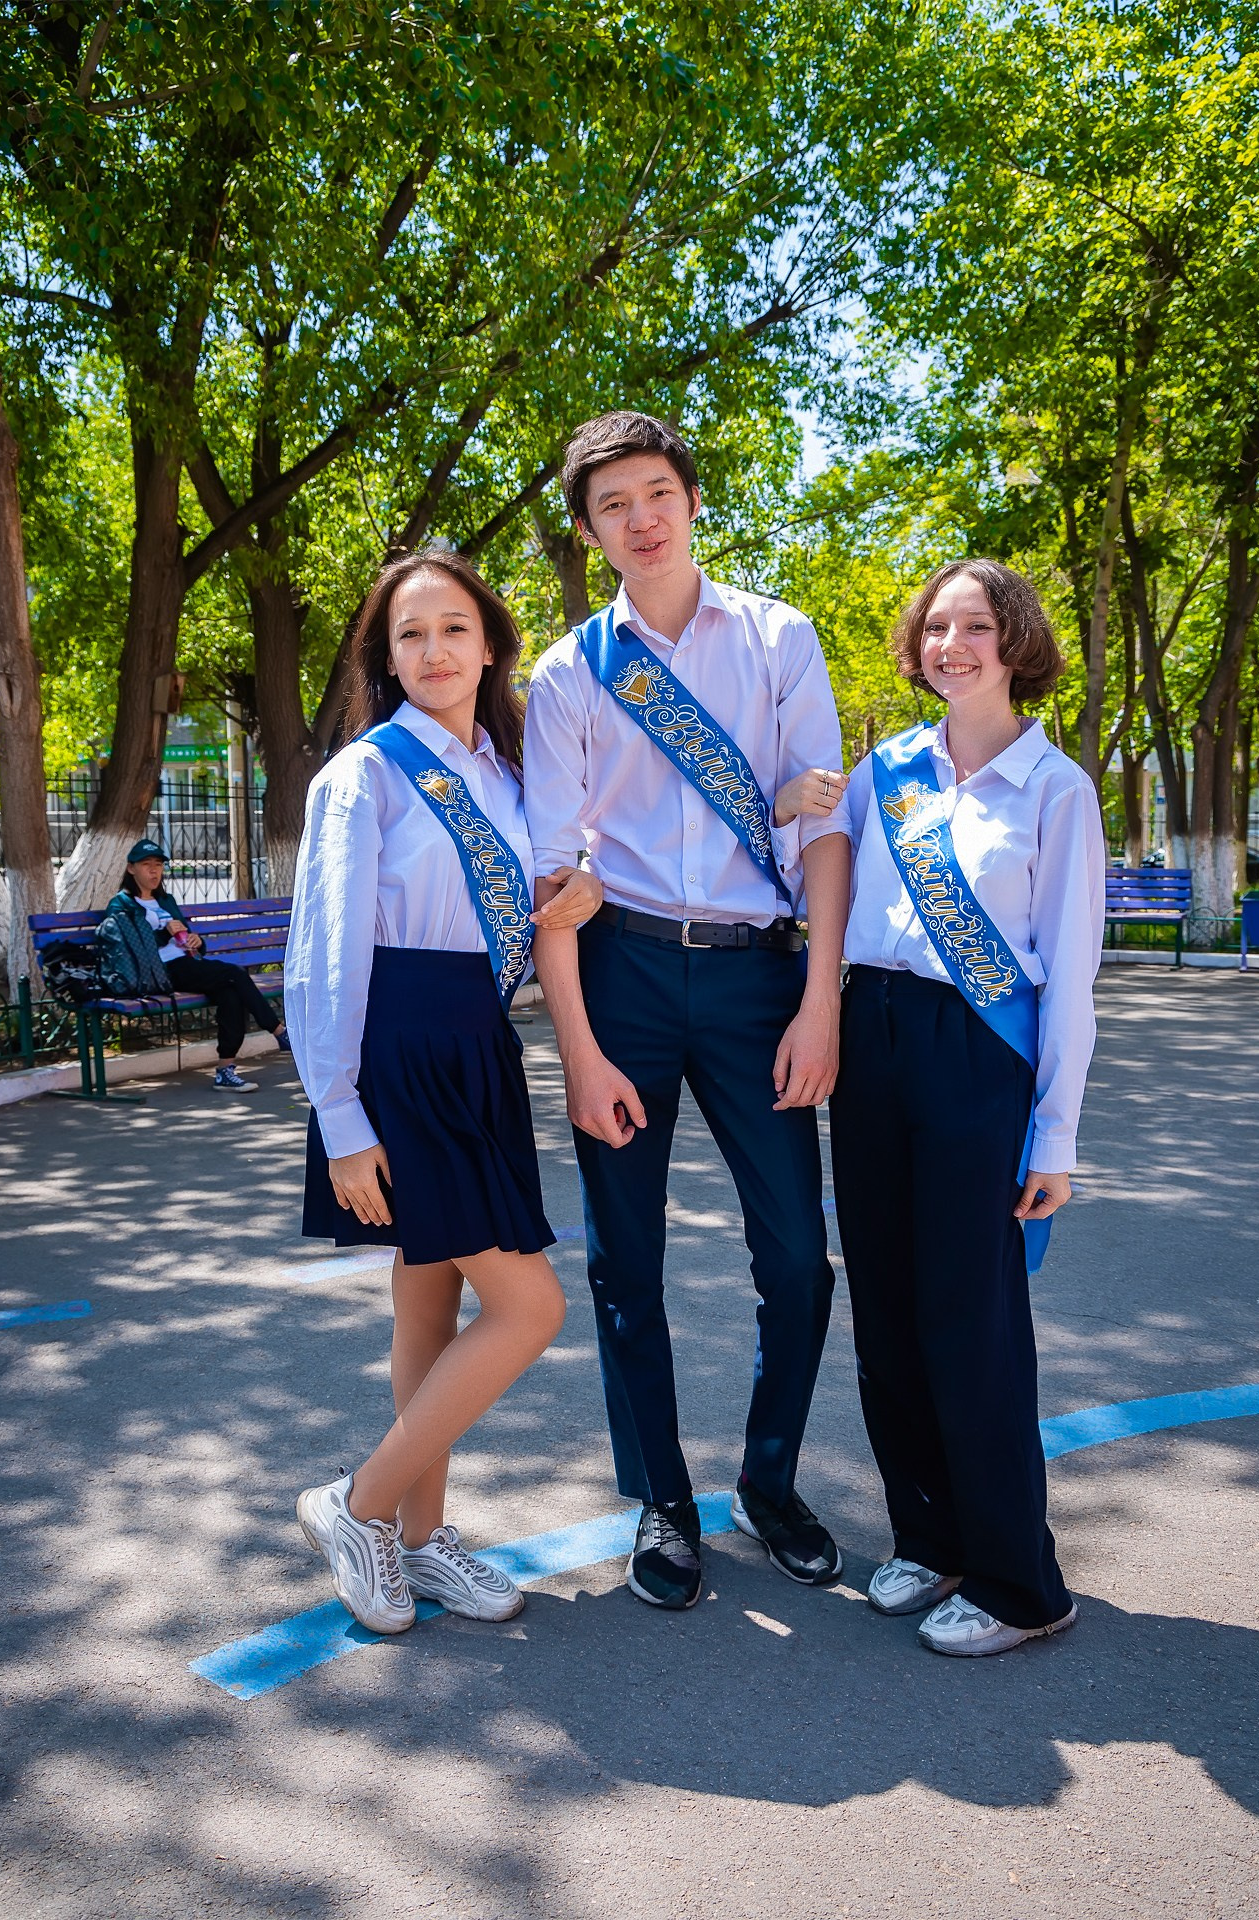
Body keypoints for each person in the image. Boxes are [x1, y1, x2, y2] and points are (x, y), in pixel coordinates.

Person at [524, 411, 851, 1611]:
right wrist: (575, 1047)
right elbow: (555, 879)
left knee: (797, 1258)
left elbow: (822, 824)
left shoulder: (776, 637)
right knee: (626, 1261)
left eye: (656, 492)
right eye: (612, 506)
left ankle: (768, 1484)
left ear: (691, 499)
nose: (640, 518)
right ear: (589, 530)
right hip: (621, 976)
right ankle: (660, 1499)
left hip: (761, 978)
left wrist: (818, 1001)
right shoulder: (568, 674)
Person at [285, 549, 602, 1634]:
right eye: (409, 634)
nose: (433, 651)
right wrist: (339, 1113)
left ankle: (417, 1542)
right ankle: (359, 1505)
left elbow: (538, 897)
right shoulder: (362, 776)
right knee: (531, 1307)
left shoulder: (509, 777)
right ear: (384, 655)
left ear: (489, 644)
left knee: (433, 1301)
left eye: (454, 629)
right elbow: (325, 954)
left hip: (478, 1043)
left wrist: (578, 891)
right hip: (400, 1047)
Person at [806, 559, 1103, 1657]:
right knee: (883, 1305)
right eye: (935, 627)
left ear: (1014, 642)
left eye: (975, 626)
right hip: (873, 1036)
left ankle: (1020, 1583)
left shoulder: (1054, 789)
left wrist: (1055, 1136)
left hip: (977, 1055)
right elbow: (821, 885)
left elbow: (1067, 973)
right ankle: (925, 1540)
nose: (951, 645)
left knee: (969, 1320)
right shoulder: (883, 772)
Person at [96, 840, 289, 1090]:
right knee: (232, 973)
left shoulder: (165, 900)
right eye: (147, 865)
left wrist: (197, 940)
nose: (154, 871)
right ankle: (278, 1031)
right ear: (131, 869)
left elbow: (186, 935)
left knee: (231, 993)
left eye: (158, 865)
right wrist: (163, 932)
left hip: (186, 963)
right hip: (160, 971)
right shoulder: (122, 904)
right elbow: (129, 945)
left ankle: (225, 1071)